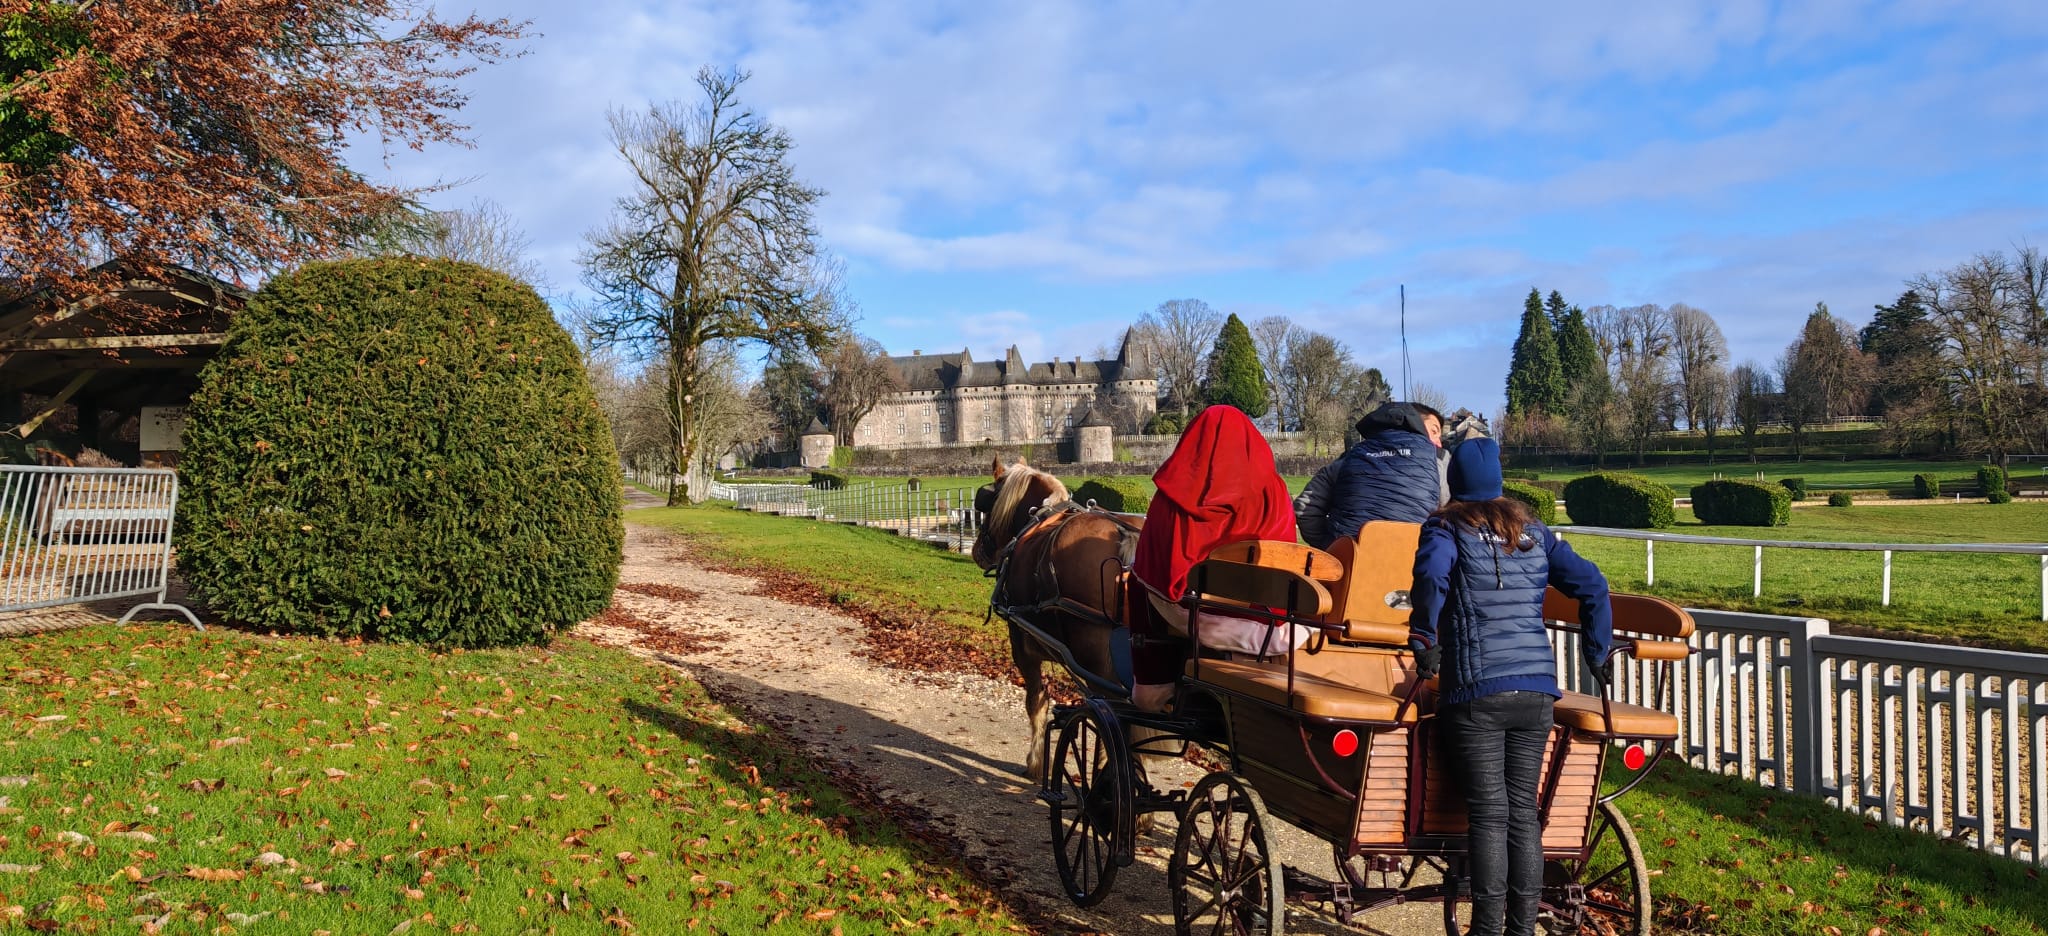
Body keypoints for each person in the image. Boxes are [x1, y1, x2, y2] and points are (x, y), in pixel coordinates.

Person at [1406, 437, 1611, 936]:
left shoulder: (1445, 527)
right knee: (1523, 813)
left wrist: (1423, 637)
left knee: (1489, 815)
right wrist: (1596, 650)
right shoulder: (1534, 532)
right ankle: (1521, 929)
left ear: (1454, 484)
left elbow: (1432, 577)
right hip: (1537, 691)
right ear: (1498, 482)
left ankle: (1487, 930)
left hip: (1476, 691)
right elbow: (1593, 584)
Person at [1129, 405, 1305, 712]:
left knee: (1138, 581)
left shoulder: (1172, 496)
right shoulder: (1273, 490)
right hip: (1269, 620)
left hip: (1198, 615)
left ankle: (1153, 686)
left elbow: (1156, 568)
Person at [1295, 401, 1443, 549]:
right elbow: (1454, 517)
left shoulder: (1347, 459)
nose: (1439, 443)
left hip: (1350, 566)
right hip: (1417, 566)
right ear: (1416, 423)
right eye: (1435, 431)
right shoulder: (1438, 462)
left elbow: (1305, 508)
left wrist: (1331, 547)